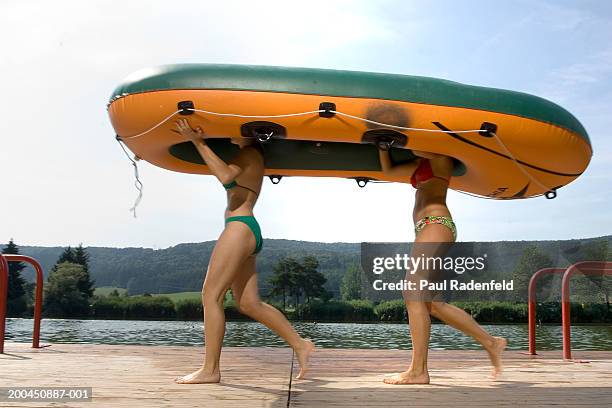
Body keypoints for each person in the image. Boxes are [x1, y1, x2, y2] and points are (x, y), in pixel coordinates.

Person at [174, 118, 314, 384]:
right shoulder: (249, 155)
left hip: (239, 227)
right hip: (247, 228)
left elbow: (225, 176)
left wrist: (197, 141)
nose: (228, 137)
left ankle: (210, 370)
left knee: (210, 296)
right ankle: (300, 344)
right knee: (249, 303)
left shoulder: (250, 152)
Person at [378, 148, 507, 385]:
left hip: (436, 224)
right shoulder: (419, 163)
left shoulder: (440, 155)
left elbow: (420, 141)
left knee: (412, 293)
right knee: (433, 304)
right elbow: (388, 170)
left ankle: (418, 371)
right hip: (427, 228)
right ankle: (491, 342)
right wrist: (383, 146)